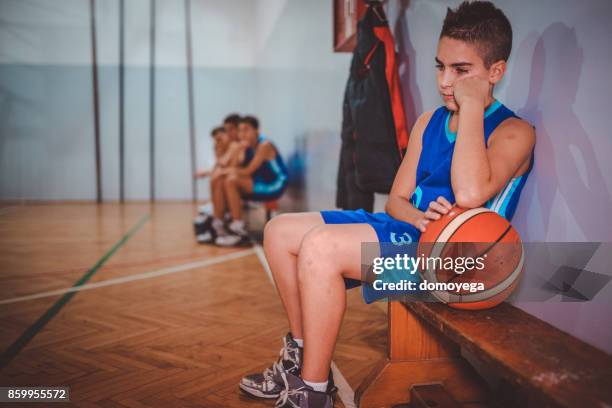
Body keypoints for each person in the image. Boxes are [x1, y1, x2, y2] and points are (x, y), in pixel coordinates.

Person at [239, 1, 536, 407]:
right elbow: (396, 201)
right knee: (279, 231)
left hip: (456, 265)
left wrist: (471, 106)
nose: (446, 81)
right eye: (439, 66)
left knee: (320, 247)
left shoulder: (514, 132)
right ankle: (301, 359)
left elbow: (469, 194)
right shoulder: (428, 123)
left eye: (461, 71)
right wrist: (416, 215)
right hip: (409, 233)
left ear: (495, 73)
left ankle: (313, 392)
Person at [213, 116, 288, 247]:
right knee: (222, 179)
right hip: (261, 181)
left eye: (246, 130)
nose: (242, 134)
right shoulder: (247, 146)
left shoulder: (264, 144)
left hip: (275, 184)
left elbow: (247, 171)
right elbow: (235, 166)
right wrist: (237, 150)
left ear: (256, 130)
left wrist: (225, 170)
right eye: (240, 131)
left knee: (231, 180)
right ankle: (219, 223)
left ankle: (238, 229)